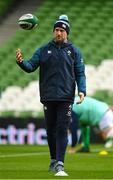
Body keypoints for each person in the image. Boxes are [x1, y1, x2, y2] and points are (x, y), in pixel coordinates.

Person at [16, 14, 86, 176]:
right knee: (50, 131)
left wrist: (82, 90)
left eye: (61, 30)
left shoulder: (74, 51)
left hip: (66, 97)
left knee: (62, 128)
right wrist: (21, 62)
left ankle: (60, 164)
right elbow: (30, 66)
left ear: (67, 32)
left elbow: (80, 73)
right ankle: (54, 159)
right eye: (56, 30)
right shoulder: (43, 50)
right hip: (48, 96)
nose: (58, 33)